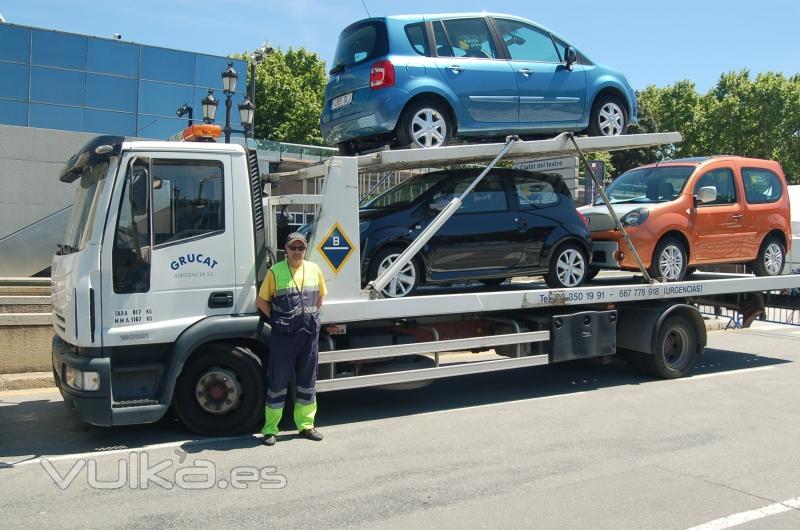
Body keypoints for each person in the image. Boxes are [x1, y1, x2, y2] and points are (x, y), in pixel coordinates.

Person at [257, 232, 327, 446]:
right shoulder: (275, 271)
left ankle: (306, 426)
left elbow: (320, 297)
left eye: (301, 248)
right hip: (284, 337)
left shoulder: (314, 269)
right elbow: (262, 302)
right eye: (293, 247)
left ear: (305, 250)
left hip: (308, 335)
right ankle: (270, 429)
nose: (297, 251)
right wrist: (277, 320)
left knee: (308, 381)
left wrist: (311, 317)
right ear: (285, 249)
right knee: (278, 381)